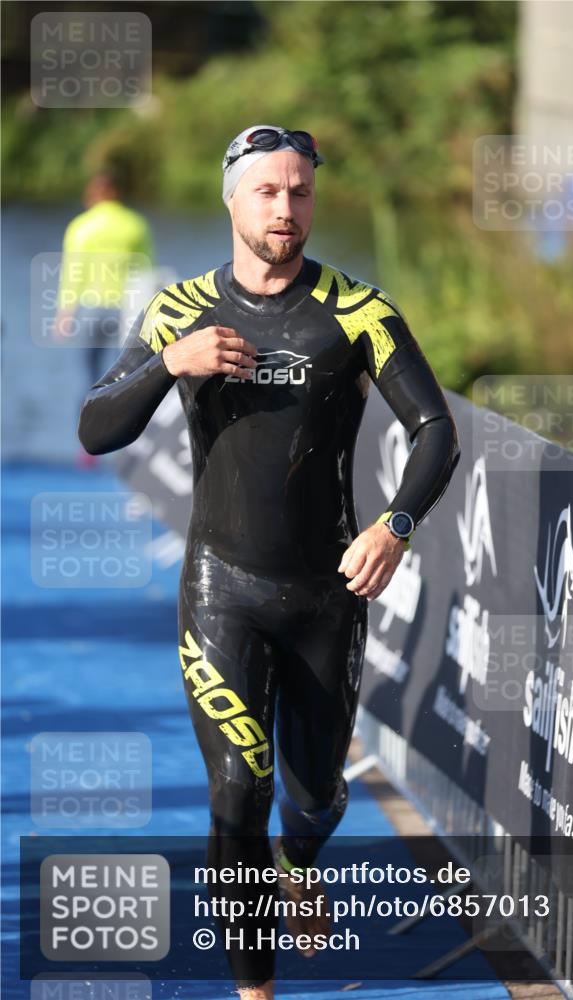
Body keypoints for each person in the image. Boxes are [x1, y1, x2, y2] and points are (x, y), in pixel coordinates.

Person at [78, 125, 461, 998]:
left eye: (299, 193)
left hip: (328, 593)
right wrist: (170, 363)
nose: (285, 210)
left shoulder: (359, 311)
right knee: (234, 793)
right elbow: (98, 428)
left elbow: (434, 430)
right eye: (266, 192)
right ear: (231, 199)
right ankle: (256, 990)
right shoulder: (179, 310)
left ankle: (301, 859)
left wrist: (395, 526)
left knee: (316, 795)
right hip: (223, 589)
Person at [55, 167, 154, 462]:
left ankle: (88, 448)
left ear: (93, 195)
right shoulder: (135, 225)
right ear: (117, 194)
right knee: (128, 377)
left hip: (91, 308)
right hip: (128, 309)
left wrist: (64, 313)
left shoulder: (81, 226)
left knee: (88, 377)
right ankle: (129, 444)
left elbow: (73, 273)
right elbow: (147, 269)